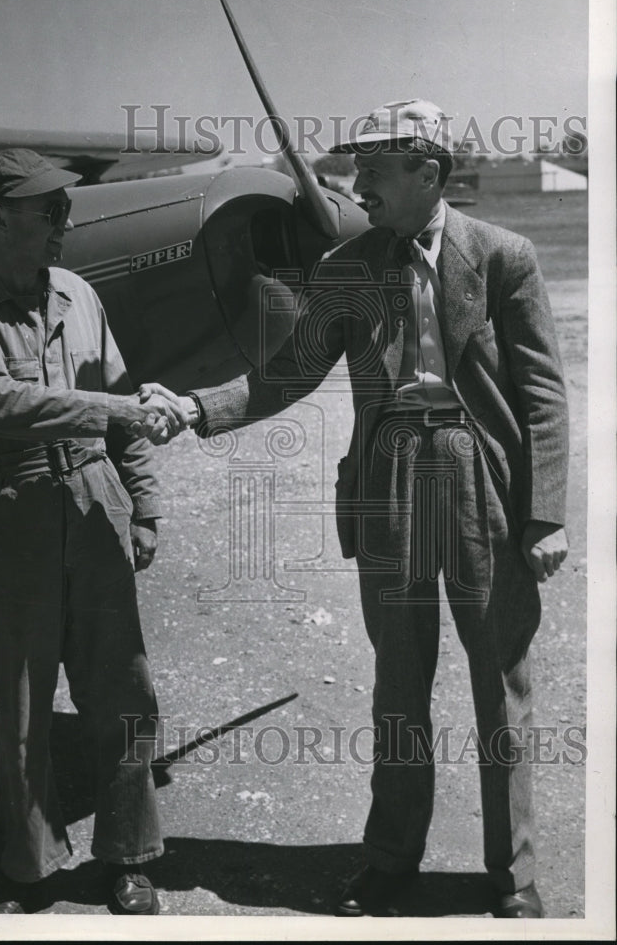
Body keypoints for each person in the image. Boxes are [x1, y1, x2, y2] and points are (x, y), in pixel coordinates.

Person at [145, 100, 569, 918]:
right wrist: (197, 408)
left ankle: (512, 876)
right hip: (389, 478)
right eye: (354, 167)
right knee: (398, 682)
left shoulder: (503, 255)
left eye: (373, 170)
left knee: (499, 684)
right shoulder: (344, 267)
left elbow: (543, 395)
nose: (354, 184)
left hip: (479, 475)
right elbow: (287, 372)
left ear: (429, 173)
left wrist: (543, 513)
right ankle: (389, 861)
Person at [0, 148, 187, 914]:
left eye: (65, 209)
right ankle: (29, 865)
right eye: (49, 212)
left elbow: (118, 400)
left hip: (94, 500)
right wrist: (114, 412)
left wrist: (144, 504)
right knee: (25, 701)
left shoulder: (76, 292)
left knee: (122, 690)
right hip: (16, 509)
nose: (64, 225)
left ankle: (130, 855)